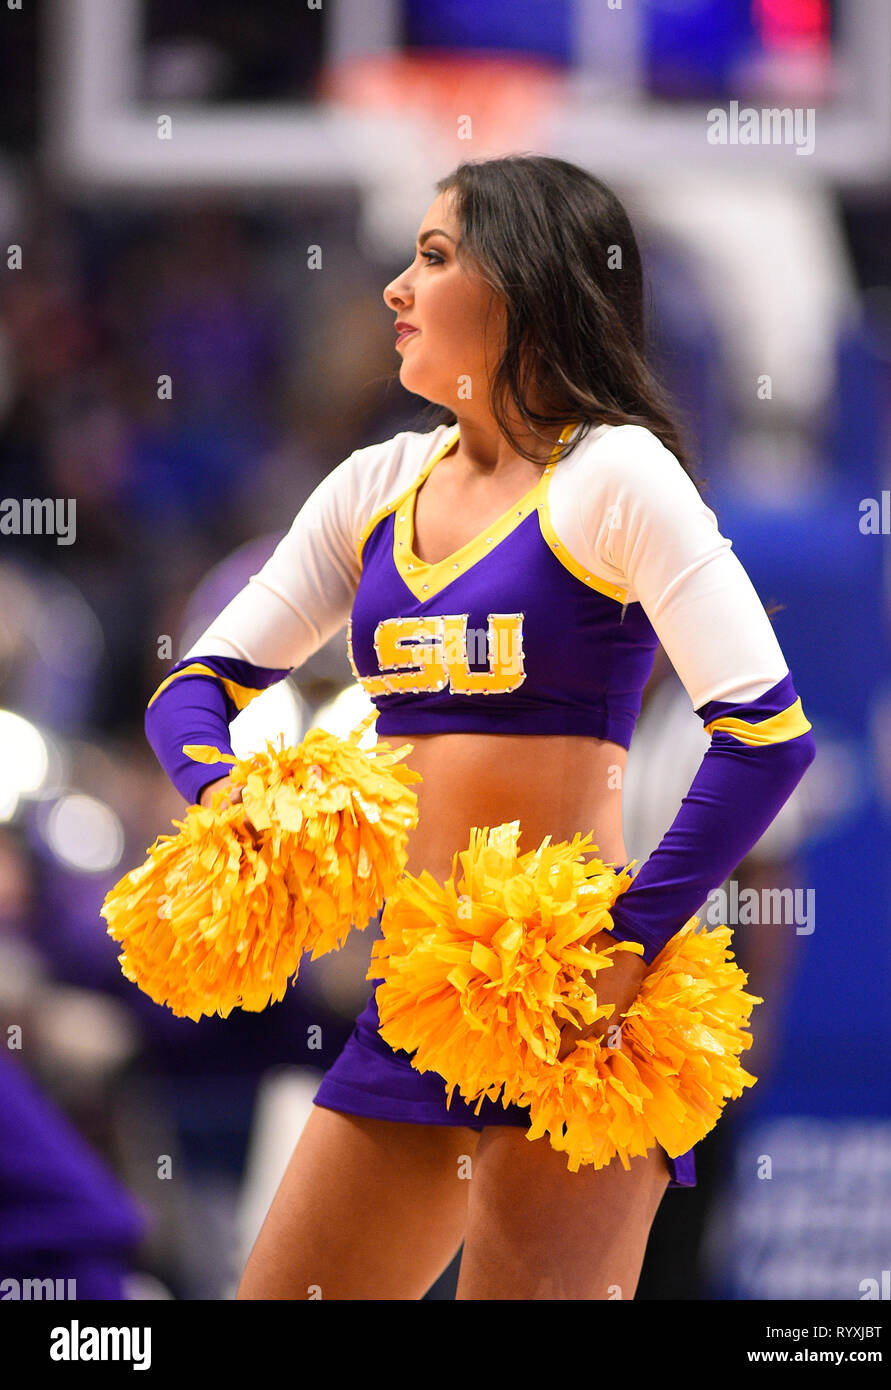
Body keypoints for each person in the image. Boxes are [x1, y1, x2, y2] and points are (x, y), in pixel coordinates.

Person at [144, 155, 816, 1300]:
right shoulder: (374, 487)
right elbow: (192, 686)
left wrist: (625, 945)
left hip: (578, 1022)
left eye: (434, 256)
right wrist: (247, 810)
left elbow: (765, 733)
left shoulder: (614, 473)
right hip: (415, 1001)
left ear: (519, 288)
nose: (396, 289)